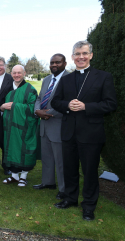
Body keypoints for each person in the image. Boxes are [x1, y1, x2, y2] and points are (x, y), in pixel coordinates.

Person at [51, 41, 117, 221]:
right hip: (69, 132)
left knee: (89, 171)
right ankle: (71, 199)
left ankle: (88, 206)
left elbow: (110, 104)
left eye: (85, 53)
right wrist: (68, 105)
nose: (81, 57)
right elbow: (55, 102)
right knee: (70, 169)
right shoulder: (65, 79)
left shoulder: (103, 77)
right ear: (72, 57)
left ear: (91, 55)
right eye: (77, 54)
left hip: (91, 133)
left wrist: (86, 106)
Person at [33, 54, 69, 200]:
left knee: (60, 160)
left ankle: (63, 189)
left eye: (57, 62)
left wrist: (50, 113)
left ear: (64, 63)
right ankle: (48, 182)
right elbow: (40, 98)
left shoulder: (69, 79)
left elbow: (68, 103)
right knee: (47, 157)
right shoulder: (47, 79)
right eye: (52, 62)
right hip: (44, 125)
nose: (54, 65)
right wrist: (37, 111)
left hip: (58, 125)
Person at [1, 65, 39, 187]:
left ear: (24, 73)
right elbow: (0, 104)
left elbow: (33, 109)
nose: (17, 75)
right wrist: (2, 107)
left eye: (19, 73)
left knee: (23, 149)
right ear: (11, 73)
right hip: (9, 127)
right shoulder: (7, 88)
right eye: (14, 73)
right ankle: (14, 176)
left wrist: (14, 105)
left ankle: (23, 177)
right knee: (11, 149)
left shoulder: (30, 89)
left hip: (24, 127)